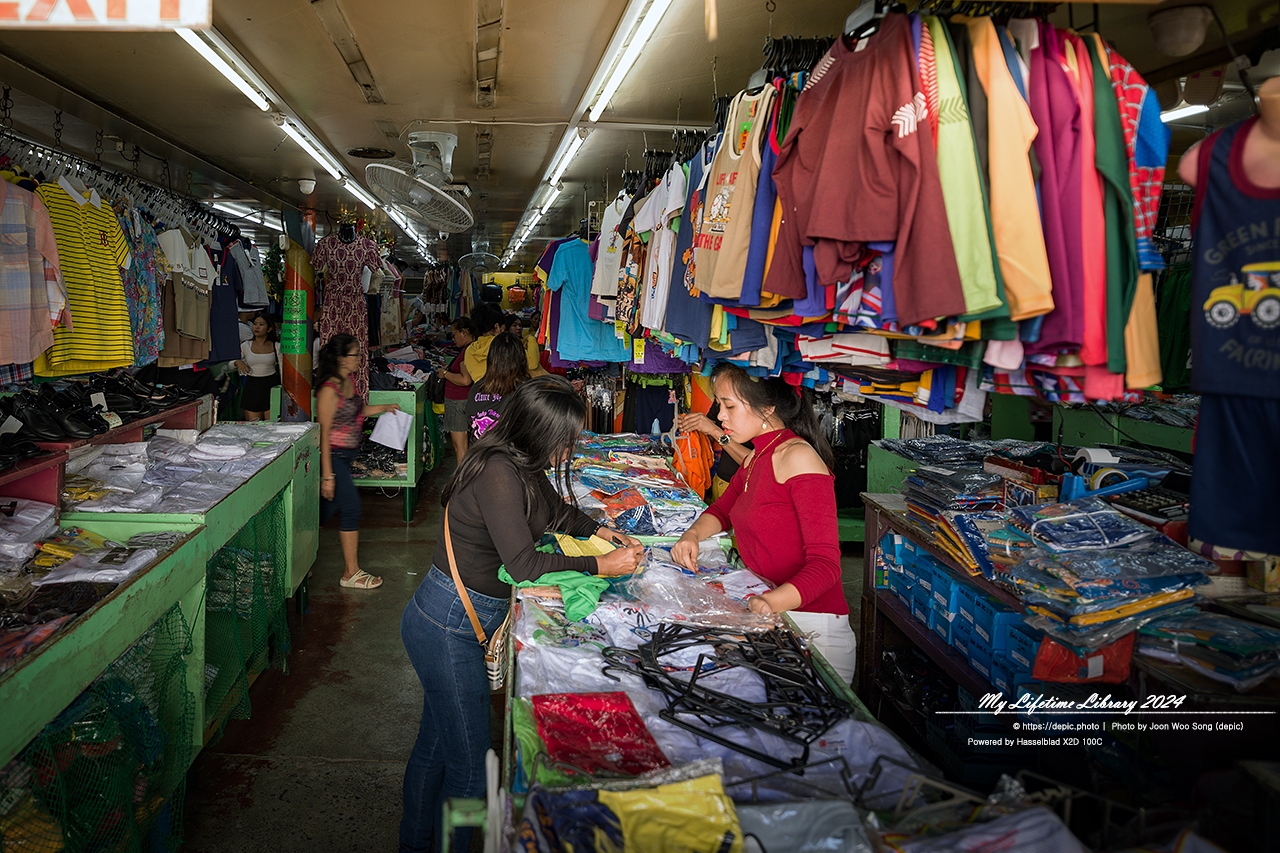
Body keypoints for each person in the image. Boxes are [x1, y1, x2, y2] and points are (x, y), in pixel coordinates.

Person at [399, 376, 643, 853]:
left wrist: (604, 533)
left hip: (459, 619)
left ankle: (415, 845)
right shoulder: (498, 471)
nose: (569, 449)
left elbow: (557, 513)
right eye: (566, 440)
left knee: (436, 747)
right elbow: (524, 566)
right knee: (471, 771)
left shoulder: (521, 463)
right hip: (447, 623)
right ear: (539, 431)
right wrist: (600, 565)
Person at [670, 363, 854, 684]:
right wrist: (692, 536)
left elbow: (826, 566)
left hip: (814, 630)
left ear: (767, 408)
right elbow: (722, 511)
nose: (720, 415)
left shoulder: (798, 458)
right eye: (719, 404)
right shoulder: (757, 457)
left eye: (729, 406)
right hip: (773, 617)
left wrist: (769, 602)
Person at [315, 334, 403, 590]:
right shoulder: (328, 390)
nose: (359, 359)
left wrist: (384, 408)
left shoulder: (348, 381)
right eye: (355, 354)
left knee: (318, 516)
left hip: (346, 457)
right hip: (334, 458)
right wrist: (328, 476)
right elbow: (323, 434)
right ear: (342, 359)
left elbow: (358, 410)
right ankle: (350, 573)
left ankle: (299, 560)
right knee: (351, 509)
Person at [465, 331, 529, 442]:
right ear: (521, 358)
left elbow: (470, 418)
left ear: (491, 358)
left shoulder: (477, 388)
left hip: (480, 450)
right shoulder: (526, 389)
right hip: (509, 451)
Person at [462, 303, 544, 384]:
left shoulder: (469, 350)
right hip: (509, 390)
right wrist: (531, 339)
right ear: (497, 327)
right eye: (504, 330)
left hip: (482, 391)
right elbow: (533, 363)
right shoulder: (504, 343)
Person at [436, 317, 476, 463]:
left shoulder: (467, 352)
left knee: (460, 448)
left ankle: (462, 477)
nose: (453, 339)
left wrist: (445, 374)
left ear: (464, 332)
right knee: (465, 447)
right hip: (465, 400)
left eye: (454, 334)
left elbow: (465, 380)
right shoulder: (471, 348)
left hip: (458, 401)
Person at [233, 312, 282, 421]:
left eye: (261, 324)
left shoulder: (276, 346)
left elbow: (282, 369)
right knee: (253, 426)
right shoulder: (246, 345)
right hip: (252, 387)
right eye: (255, 324)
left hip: (271, 386)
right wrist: (238, 362)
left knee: (271, 426)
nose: (257, 327)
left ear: (269, 329)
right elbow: (229, 364)